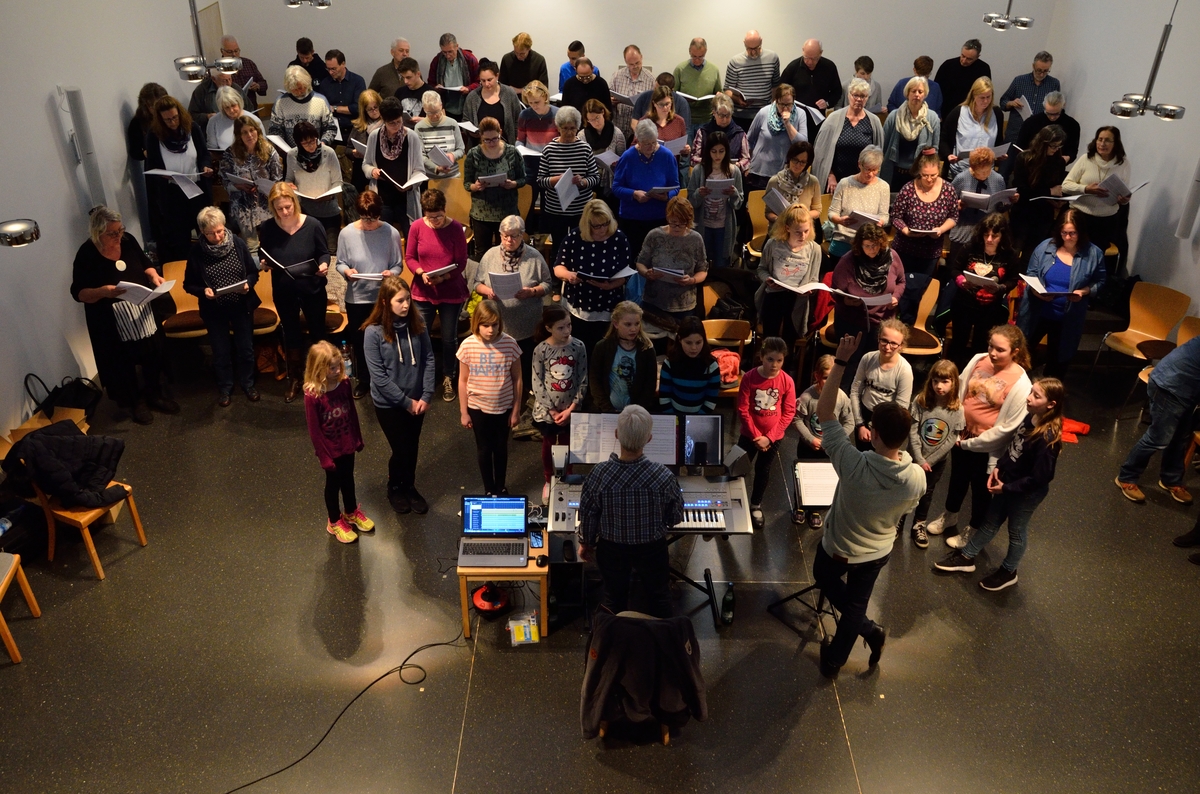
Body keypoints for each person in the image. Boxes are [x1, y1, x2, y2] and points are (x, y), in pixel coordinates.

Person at [811, 332, 925, 677]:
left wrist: (840, 362)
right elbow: (907, 509)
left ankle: (869, 630)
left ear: (873, 433)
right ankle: (835, 661)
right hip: (878, 551)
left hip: (840, 549)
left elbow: (825, 411)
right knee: (856, 603)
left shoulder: (853, 464)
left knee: (823, 577)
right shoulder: (916, 477)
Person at [935, 378, 1064, 591]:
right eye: (1031, 392)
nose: (1028, 398)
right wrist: (999, 466)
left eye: (1036, 396)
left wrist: (1006, 488)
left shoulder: (1047, 438)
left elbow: (1040, 478)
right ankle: (967, 557)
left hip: (1025, 493)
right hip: (1008, 482)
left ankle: (1009, 571)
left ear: (1051, 405)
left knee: (1016, 531)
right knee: (990, 521)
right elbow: (1014, 447)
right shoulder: (1030, 416)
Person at [927, 325, 1032, 551]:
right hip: (960, 436)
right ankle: (950, 515)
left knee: (981, 489)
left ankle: (974, 529)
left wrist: (970, 443)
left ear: (1015, 351)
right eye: (991, 346)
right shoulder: (978, 359)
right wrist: (955, 428)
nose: (992, 353)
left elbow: (1008, 428)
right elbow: (960, 390)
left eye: (1000, 350)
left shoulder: (1022, 384)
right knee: (957, 479)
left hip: (985, 447)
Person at [70, 206, 175, 425]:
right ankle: (136, 402)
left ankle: (154, 394)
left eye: (120, 230)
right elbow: (79, 293)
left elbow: (146, 264)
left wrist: (154, 276)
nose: (119, 236)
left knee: (152, 354)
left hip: (141, 308)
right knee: (123, 362)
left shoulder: (128, 241)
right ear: (98, 232)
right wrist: (103, 292)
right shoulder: (86, 254)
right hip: (111, 320)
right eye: (112, 233)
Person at [578, 404, 684, 619]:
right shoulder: (663, 475)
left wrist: (585, 542)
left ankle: (614, 635)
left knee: (613, 598)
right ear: (649, 439)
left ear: (617, 434)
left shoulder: (599, 474)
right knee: (660, 597)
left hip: (612, 550)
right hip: (652, 549)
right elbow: (675, 517)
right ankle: (665, 636)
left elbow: (588, 514)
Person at [363, 276, 435, 515]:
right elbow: (379, 377)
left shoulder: (418, 322)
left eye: (408, 299)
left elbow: (428, 358)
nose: (406, 305)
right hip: (389, 404)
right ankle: (394, 487)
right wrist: (406, 403)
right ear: (385, 302)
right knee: (401, 448)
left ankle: (409, 486)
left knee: (412, 446)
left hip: (418, 400)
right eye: (400, 300)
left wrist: (426, 394)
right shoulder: (373, 333)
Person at [258, 182, 330, 402]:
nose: (285, 212)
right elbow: (264, 253)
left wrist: (324, 264)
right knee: (291, 334)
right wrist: (264, 263)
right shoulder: (268, 227)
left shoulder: (313, 225)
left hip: (311, 287)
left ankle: (321, 375)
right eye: (279, 208)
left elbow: (324, 252)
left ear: (295, 203)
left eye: (288, 207)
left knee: (317, 331)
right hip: (284, 289)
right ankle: (295, 378)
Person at [183, 206, 260, 406]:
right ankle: (225, 387)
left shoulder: (238, 243)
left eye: (219, 231)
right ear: (202, 231)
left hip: (241, 305)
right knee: (221, 351)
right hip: (214, 310)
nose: (217, 237)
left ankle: (248, 383)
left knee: (246, 349)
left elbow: (253, 273)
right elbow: (188, 284)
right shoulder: (196, 251)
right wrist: (203, 291)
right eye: (211, 233)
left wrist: (248, 284)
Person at [1016, 209, 1106, 379]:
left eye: (1073, 233)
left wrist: (1084, 291)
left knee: (1057, 364)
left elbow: (1100, 282)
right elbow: (1032, 273)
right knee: (1021, 354)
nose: (1067, 237)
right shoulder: (1045, 247)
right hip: (1037, 312)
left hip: (1067, 317)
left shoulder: (1094, 253)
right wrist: (1036, 291)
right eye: (1064, 233)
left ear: (1081, 232)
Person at [468, 214, 550, 394]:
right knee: (501, 365)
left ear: (522, 235)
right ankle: (502, 392)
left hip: (526, 323)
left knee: (525, 362)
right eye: (505, 236)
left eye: (513, 236)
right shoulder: (490, 255)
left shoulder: (534, 256)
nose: (508, 240)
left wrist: (531, 292)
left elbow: (548, 284)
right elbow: (476, 283)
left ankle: (526, 391)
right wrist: (487, 291)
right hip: (498, 324)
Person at [1115, 336, 1200, 506]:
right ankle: (1126, 477)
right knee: (1158, 438)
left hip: (1188, 389)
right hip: (1170, 385)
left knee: (1180, 437)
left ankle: (1171, 480)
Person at [302, 341, 372, 545]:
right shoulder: (313, 395)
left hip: (347, 442)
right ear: (318, 368)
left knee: (349, 478)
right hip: (331, 449)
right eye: (332, 368)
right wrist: (324, 457)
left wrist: (357, 438)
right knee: (333, 485)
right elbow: (314, 430)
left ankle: (351, 511)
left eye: (338, 366)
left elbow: (352, 413)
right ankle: (334, 520)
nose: (338, 371)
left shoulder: (344, 384)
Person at [337, 190, 403, 399]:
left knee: (386, 339)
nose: (368, 223)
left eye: (372, 219)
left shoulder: (391, 232)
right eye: (364, 218)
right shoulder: (347, 233)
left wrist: (390, 274)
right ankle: (365, 380)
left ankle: (387, 379)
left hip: (382, 296)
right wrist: (347, 272)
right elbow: (340, 263)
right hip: (357, 297)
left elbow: (397, 265)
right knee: (360, 341)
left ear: (379, 215)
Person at [407, 189, 469, 403]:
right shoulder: (417, 226)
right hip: (424, 289)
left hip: (450, 289)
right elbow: (410, 257)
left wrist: (444, 277)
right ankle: (424, 377)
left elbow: (461, 262)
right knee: (421, 335)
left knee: (449, 338)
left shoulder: (455, 228)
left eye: (439, 216)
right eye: (430, 217)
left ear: (444, 210)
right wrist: (421, 273)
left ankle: (448, 376)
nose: (435, 221)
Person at [457, 300, 523, 496]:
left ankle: (500, 486)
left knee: (501, 448)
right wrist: (464, 412)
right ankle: (488, 488)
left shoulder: (510, 343)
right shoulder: (468, 345)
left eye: (495, 324)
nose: (491, 330)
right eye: (485, 325)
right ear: (476, 323)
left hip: (503, 407)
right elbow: (463, 380)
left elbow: (518, 378)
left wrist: (516, 410)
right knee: (484, 449)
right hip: (477, 407)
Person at [890, 153, 959, 324]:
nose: (929, 179)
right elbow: (895, 216)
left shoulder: (948, 189)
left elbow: (953, 217)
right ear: (919, 172)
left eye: (933, 175)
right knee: (900, 286)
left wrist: (941, 229)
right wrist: (906, 230)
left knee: (920, 288)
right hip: (905, 248)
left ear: (939, 171)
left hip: (930, 250)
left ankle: (913, 323)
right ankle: (895, 322)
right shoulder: (908, 189)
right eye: (925, 175)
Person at [737, 336, 798, 528]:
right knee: (738, 467)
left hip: (773, 438)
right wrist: (756, 436)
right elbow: (743, 409)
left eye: (779, 360)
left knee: (763, 470)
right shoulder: (749, 377)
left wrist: (769, 438)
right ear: (761, 357)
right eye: (770, 359)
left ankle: (756, 504)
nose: (774, 364)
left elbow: (789, 412)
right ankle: (732, 501)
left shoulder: (787, 381)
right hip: (749, 435)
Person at [555, 200, 632, 351]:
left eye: (605, 224)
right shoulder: (575, 236)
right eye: (596, 226)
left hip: (608, 301)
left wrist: (611, 285)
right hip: (579, 301)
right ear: (587, 224)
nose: (602, 229)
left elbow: (627, 272)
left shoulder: (619, 238)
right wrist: (569, 275)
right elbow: (558, 267)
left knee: (604, 348)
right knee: (579, 347)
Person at [144, 96, 213, 262]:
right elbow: (152, 164)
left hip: (196, 188)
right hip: (172, 193)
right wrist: (161, 174)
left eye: (175, 117)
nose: (173, 122)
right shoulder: (154, 136)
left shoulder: (192, 128)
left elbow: (204, 154)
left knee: (206, 231)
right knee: (179, 239)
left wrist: (205, 166)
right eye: (167, 120)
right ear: (160, 120)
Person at [530, 305, 588, 504]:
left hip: (570, 410)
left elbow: (582, 378)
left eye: (569, 325)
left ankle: (567, 478)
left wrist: (572, 408)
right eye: (561, 328)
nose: (567, 331)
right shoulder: (541, 350)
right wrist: (553, 411)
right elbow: (537, 382)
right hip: (548, 412)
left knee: (568, 445)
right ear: (549, 328)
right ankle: (549, 480)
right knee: (548, 445)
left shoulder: (579, 346)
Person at [830, 224, 905, 375]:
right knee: (850, 365)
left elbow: (901, 281)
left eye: (875, 245)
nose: (872, 249)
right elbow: (835, 291)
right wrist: (846, 301)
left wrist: (895, 297)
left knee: (874, 365)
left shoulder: (892, 257)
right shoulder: (848, 261)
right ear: (860, 245)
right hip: (853, 320)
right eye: (867, 246)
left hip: (882, 320)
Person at [906, 360, 965, 549]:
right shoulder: (920, 401)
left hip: (936, 463)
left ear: (954, 382)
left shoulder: (957, 409)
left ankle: (919, 524)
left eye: (945, 381)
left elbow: (951, 439)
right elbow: (913, 430)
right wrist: (919, 458)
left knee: (927, 493)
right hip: (913, 458)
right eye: (935, 381)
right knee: (906, 489)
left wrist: (929, 461)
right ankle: (899, 520)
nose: (939, 386)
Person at [948, 213, 1020, 366]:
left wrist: (1001, 288)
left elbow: (1013, 280)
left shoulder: (1010, 254)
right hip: (964, 303)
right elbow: (955, 269)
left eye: (994, 236)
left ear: (1003, 236)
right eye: (986, 235)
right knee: (958, 342)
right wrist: (961, 281)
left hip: (990, 309)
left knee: (981, 345)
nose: (989, 239)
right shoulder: (970, 247)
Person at [793, 354, 855, 529]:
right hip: (808, 447)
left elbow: (849, 422)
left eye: (834, 378)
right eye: (826, 378)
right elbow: (797, 419)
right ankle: (799, 506)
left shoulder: (841, 397)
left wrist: (836, 440)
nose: (830, 383)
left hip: (829, 449)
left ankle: (815, 510)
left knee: (821, 479)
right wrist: (811, 439)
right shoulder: (807, 397)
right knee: (803, 478)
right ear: (817, 376)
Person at [537, 106, 601, 264]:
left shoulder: (584, 148)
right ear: (558, 128)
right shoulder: (549, 149)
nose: (569, 132)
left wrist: (583, 182)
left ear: (578, 127)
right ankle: (558, 275)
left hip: (580, 209)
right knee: (558, 247)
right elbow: (540, 180)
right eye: (565, 128)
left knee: (581, 246)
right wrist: (556, 180)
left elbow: (595, 178)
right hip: (556, 209)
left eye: (572, 128)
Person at [757, 203, 820, 359]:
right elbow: (761, 269)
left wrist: (810, 289)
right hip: (774, 297)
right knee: (770, 340)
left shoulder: (814, 249)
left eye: (806, 231)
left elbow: (814, 278)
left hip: (797, 300)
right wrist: (767, 280)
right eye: (798, 232)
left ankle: (787, 370)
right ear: (787, 228)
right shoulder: (773, 244)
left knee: (789, 343)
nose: (803, 236)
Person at [612, 119, 679, 262]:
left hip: (659, 217)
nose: (651, 147)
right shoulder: (628, 157)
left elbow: (676, 187)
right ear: (638, 141)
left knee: (657, 260)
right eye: (646, 144)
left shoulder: (666, 156)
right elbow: (616, 187)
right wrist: (634, 194)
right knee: (633, 259)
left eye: (654, 143)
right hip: (632, 219)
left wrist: (667, 196)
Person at [637, 197, 708, 324]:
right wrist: (647, 273)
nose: (677, 227)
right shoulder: (654, 235)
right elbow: (640, 262)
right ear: (668, 217)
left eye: (682, 223)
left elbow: (703, 270)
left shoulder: (696, 239)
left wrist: (691, 280)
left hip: (684, 304)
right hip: (654, 301)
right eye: (673, 222)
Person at [1062, 126, 1131, 257]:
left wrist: (1124, 200)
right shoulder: (1086, 159)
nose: (1102, 144)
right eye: (1100, 139)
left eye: (1107, 140)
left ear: (1115, 143)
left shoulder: (1123, 164)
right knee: (1072, 254)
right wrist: (1085, 189)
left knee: (1094, 257)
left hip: (1106, 220)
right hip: (1080, 216)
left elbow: (1124, 191)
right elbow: (1065, 186)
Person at [462, 119, 526, 258]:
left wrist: (513, 184)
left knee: (508, 252)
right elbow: (467, 183)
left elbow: (523, 178)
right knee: (482, 253)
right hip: (481, 212)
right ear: (481, 137)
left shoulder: (512, 152)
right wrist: (475, 186)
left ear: (500, 133)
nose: (491, 143)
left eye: (495, 138)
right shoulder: (474, 154)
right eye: (487, 140)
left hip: (507, 210)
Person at [362, 97, 424, 237]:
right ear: (383, 120)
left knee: (412, 236)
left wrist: (411, 184)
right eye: (392, 123)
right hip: (382, 197)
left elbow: (419, 170)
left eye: (399, 121)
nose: (396, 126)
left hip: (406, 198)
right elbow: (366, 164)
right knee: (382, 237)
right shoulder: (374, 136)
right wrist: (372, 171)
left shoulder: (411, 137)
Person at [850, 319, 914, 452]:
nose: (887, 347)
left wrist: (879, 430)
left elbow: (901, 407)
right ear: (878, 338)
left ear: (901, 346)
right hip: (865, 415)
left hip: (888, 421)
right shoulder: (868, 358)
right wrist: (860, 424)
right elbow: (855, 391)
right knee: (862, 456)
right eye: (884, 340)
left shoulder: (905, 370)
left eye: (893, 343)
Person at [219, 115, 281, 251]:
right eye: (244, 132)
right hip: (242, 204)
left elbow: (277, 179)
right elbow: (224, 179)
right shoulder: (230, 153)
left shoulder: (269, 150)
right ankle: (252, 259)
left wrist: (266, 187)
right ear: (239, 135)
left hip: (265, 201)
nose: (249, 135)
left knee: (271, 243)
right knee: (251, 246)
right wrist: (237, 186)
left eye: (252, 130)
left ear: (257, 130)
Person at [813, 78, 884, 194]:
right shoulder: (833, 119)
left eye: (863, 96)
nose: (859, 99)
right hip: (834, 183)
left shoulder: (874, 122)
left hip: (862, 183)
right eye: (855, 95)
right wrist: (830, 176)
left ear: (867, 98)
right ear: (849, 95)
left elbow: (878, 156)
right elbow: (820, 152)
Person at [1007, 125, 1068, 261]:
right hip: (1023, 212)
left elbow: (1057, 187)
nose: (1056, 149)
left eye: (1059, 146)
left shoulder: (1058, 162)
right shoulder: (1024, 158)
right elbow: (1021, 189)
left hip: (1044, 214)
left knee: (1032, 256)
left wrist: (1059, 200)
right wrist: (1049, 191)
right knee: (1013, 253)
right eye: (1053, 146)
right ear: (1043, 143)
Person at [687, 130, 744, 269]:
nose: (717, 155)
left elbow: (738, 203)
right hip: (703, 225)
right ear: (708, 151)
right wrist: (699, 194)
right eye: (714, 151)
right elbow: (690, 202)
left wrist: (734, 194)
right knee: (701, 263)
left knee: (721, 265)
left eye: (721, 151)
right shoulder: (698, 170)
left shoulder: (734, 171)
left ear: (726, 151)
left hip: (723, 226)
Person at [589, 301, 657, 413]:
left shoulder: (647, 349)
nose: (633, 329)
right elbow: (595, 381)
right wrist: (607, 409)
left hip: (636, 412)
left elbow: (650, 385)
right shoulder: (603, 347)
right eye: (628, 324)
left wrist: (637, 410)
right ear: (616, 324)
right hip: (607, 410)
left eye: (637, 323)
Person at [285, 121, 343, 251]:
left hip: (329, 209)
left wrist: (329, 195)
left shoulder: (328, 153)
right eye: (305, 143)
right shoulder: (292, 155)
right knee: (309, 250)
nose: (311, 145)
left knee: (331, 250)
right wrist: (289, 185)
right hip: (305, 210)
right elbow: (289, 178)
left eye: (313, 141)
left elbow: (338, 182)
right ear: (299, 143)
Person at [827, 146, 889, 259]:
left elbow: (884, 216)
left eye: (875, 170)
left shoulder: (883, 187)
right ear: (859, 164)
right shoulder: (844, 183)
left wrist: (881, 222)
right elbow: (832, 213)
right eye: (868, 169)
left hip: (869, 240)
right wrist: (839, 220)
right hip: (844, 238)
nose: (871, 174)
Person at [947, 147, 1007, 261]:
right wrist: (956, 205)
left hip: (986, 233)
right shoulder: (961, 178)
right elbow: (946, 204)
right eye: (981, 172)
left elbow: (1001, 207)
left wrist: (1008, 202)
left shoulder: (998, 179)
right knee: (956, 264)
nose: (985, 175)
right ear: (973, 167)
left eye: (988, 171)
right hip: (963, 229)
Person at [881, 77, 940, 190]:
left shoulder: (932, 118)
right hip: (894, 173)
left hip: (919, 174)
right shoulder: (894, 116)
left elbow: (935, 149)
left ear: (925, 94)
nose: (917, 95)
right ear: (907, 94)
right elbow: (883, 145)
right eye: (913, 91)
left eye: (920, 92)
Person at [746, 84, 808, 192]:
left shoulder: (800, 114)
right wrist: (748, 164)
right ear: (776, 101)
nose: (785, 108)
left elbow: (802, 145)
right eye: (782, 104)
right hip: (760, 172)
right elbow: (749, 140)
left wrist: (788, 124)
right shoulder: (764, 112)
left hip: (785, 174)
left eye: (789, 104)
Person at [940, 77, 1003, 178]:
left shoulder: (996, 113)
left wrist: (1001, 153)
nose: (986, 101)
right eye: (982, 98)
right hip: (960, 171)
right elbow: (944, 138)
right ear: (974, 95)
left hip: (986, 171)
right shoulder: (958, 112)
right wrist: (948, 155)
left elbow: (999, 140)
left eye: (988, 97)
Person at [658, 316, 720, 415]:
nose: (694, 348)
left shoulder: (711, 366)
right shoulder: (669, 363)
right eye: (688, 343)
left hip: (700, 417)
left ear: (704, 340)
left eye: (698, 342)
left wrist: (697, 419)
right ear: (680, 339)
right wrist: (674, 418)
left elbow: (711, 400)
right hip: (674, 416)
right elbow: (664, 397)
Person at [517, 81, 557, 231]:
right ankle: (527, 234)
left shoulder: (557, 114)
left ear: (545, 97)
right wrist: (519, 148)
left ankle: (546, 235)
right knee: (528, 203)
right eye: (530, 103)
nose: (534, 106)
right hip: (530, 164)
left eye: (537, 102)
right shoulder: (525, 115)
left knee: (549, 205)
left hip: (551, 164)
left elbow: (562, 140)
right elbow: (520, 140)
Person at [998, 51, 1059, 146]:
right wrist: (1011, 103)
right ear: (1033, 66)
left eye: (1045, 71)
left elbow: (1056, 109)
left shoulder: (1054, 84)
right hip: (1015, 133)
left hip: (1038, 136)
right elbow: (1003, 102)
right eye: (1039, 70)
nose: (1042, 74)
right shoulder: (1019, 81)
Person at [269, 66, 337, 147]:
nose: (298, 92)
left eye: (300, 88)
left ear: (307, 83)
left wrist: (323, 143)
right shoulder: (280, 102)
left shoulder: (320, 100)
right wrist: (282, 147)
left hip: (315, 150)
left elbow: (330, 128)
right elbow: (275, 129)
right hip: (289, 151)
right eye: (294, 89)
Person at [725, 30, 781, 128]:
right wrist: (738, 99)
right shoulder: (735, 62)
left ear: (761, 42)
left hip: (765, 114)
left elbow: (776, 86)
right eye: (749, 49)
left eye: (756, 48)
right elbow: (727, 91)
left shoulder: (772, 58)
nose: (753, 52)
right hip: (741, 116)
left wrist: (773, 108)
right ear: (744, 44)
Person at [765, 140, 821, 232]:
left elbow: (817, 211)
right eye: (795, 160)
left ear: (807, 164)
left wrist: (799, 217)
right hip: (779, 230)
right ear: (790, 158)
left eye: (802, 162)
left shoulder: (813, 182)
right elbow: (768, 212)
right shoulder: (775, 181)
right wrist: (780, 219)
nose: (798, 165)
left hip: (803, 231)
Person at [464, 60, 523, 145]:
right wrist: (470, 132)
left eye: (489, 80)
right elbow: (465, 120)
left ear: (497, 76)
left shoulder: (509, 93)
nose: (486, 84)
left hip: (505, 145)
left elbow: (518, 120)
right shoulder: (473, 97)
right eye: (483, 81)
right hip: (480, 146)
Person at [689, 94, 750, 177]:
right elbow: (693, 158)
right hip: (707, 176)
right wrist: (710, 163)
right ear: (714, 113)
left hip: (731, 176)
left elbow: (746, 159)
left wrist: (738, 165)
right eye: (721, 115)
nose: (724, 120)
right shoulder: (703, 132)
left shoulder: (739, 133)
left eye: (728, 115)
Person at [583, 99, 626, 212]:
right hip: (591, 180)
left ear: (603, 112)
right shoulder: (582, 135)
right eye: (591, 120)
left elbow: (623, 160)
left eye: (597, 118)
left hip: (610, 180)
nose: (595, 122)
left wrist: (615, 164)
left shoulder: (616, 133)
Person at [317, 49, 365, 148]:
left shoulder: (357, 81)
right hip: (333, 133)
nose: (331, 72)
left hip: (354, 131)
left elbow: (358, 108)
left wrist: (334, 108)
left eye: (334, 69)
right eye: (328, 69)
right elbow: (323, 109)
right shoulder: (325, 84)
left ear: (343, 64)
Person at [674, 37, 723, 131]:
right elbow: (673, 94)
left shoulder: (713, 70)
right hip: (685, 118)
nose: (697, 60)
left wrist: (719, 95)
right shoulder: (680, 69)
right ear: (689, 51)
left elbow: (719, 92)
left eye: (700, 57)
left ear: (706, 52)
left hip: (706, 118)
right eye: (694, 56)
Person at [427, 33, 479, 121]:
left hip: (466, 106)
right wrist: (436, 88)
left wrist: (468, 88)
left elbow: (479, 82)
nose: (447, 55)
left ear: (457, 46)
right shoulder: (437, 61)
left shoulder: (469, 59)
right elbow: (430, 83)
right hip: (445, 107)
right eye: (444, 52)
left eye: (450, 51)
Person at [1016, 92, 1080, 164]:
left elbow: (1072, 150)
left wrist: (1068, 158)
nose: (1052, 117)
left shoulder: (1072, 125)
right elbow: (1020, 146)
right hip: (1031, 164)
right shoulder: (1031, 122)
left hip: (1056, 165)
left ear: (1063, 106)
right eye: (1048, 113)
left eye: (1056, 114)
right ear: (1044, 107)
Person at [780, 39, 841, 111]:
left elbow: (837, 91)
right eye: (806, 57)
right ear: (803, 51)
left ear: (820, 53)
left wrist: (827, 102)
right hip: (796, 113)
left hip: (819, 114)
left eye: (814, 58)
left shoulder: (829, 67)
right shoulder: (793, 67)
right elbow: (781, 90)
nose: (810, 62)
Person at [415, 91, 465, 178]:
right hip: (431, 177)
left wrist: (453, 155)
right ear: (424, 109)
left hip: (453, 176)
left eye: (437, 111)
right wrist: (436, 168)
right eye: (430, 113)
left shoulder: (452, 123)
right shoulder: (419, 127)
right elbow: (420, 155)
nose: (434, 116)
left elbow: (461, 149)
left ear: (441, 105)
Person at [610, 45, 655, 139]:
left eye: (637, 63)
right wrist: (611, 101)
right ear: (625, 61)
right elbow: (608, 97)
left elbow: (654, 105)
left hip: (639, 130)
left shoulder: (650, 79)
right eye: (631, 64)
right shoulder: (616, 76)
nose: (635, 66)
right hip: (619, 127)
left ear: (641, 57)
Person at [934, 39, 991, 111]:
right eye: (963, 56)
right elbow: (936, 91)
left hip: (971, 111)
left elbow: (986, 92)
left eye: (969, 59)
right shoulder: (948, 65)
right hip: (946, 110)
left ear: (977, 57)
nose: (964, 61)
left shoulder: (983, 69)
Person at [643, 85, 690, 167]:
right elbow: (634, 146)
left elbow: (683, 149)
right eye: (661, 105)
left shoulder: (679, 121)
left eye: (667, 104)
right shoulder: (645, 122)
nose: (665, 108)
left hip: (670, 166)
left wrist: (686, 150)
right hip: (648, 166)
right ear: (654, 104)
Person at [348, 89, 383, 192]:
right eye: (370, 109)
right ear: (364, 111)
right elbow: (348, 149)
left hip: (380, 171)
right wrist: (354, 153)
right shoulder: (358, 126)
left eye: (376, 107)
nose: (374, 111)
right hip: (361, 172)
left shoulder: (388, 124)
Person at [204, 86, 255, 151]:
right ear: (222, 108)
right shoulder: (213, 122)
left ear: (239, 102)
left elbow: (262, 144)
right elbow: (212, 149)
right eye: (227, 107)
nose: (231, 110)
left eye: (233, 105)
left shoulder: (253, 119)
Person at [222, 36, 267, 107]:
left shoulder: (248, 63)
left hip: (250, 108)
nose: (234, 54)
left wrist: (257, 86)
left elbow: (263, 84)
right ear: (222, 51)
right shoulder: (218, 68)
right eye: (230, 52)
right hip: (231, 108)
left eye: (236, 51)